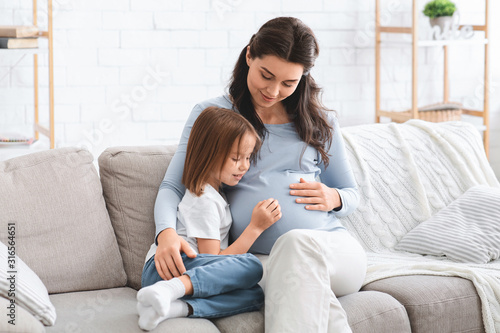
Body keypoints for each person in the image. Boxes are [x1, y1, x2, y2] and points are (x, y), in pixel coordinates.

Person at [147, 17, 367, 332]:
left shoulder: (322, 122)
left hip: (335, 251)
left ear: (303, 77)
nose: (274, 91)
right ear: (249, 55)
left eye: (289, 83)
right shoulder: (215, 116)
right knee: (302, 285)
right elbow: (174, 184)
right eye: (266, 75)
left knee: (295, 245)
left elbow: (351, 193)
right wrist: (165, 233)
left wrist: (335, 197)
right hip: (262, 263)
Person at [138, 107, 282, 331]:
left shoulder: (215, 195)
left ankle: (170, 307)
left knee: (255, 295)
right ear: (209, 155)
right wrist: (255, 227)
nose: (244, 166)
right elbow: (214, 259)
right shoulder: (204, 199)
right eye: (236, 158)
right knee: (252, 266)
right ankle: (170, 290)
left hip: (179, 274)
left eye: (247, 157)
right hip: (168, 268)